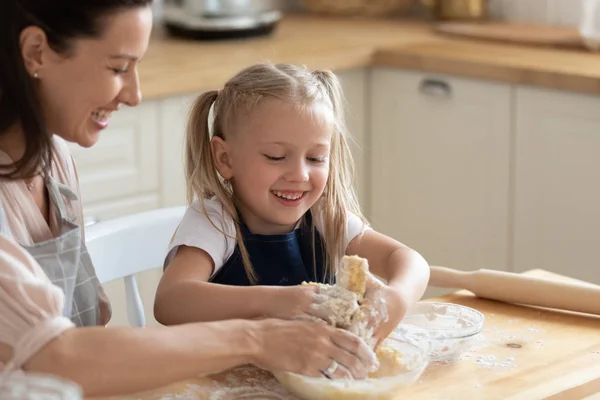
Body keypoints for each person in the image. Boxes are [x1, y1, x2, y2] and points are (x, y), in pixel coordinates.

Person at [0, 1, 379, 396]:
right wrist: (258, 338)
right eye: (118, 68)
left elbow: (89, 335)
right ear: (35, 52)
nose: (134, 94)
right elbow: (57, 359)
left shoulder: (53, 159)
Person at [154, 63, 431, 352]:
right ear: (225, 158)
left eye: (315, 158)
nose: (299, 175)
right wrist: (278, 300)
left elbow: (410, 260)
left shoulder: (324, 217)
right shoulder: (215, 222)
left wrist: (396, 298)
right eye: (276, 156)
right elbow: (170, 301)